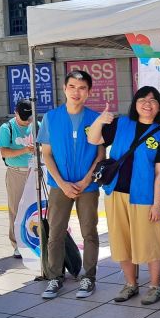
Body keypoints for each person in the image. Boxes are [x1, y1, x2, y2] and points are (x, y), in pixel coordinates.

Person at [88, 86, 160, 306]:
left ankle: (155, 286)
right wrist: (99, 121)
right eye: (142, 99)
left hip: (144, 196)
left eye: (153, 101)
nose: (147, 104)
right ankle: (130, 284)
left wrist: (156, 204)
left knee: (151, 241)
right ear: (135, 104)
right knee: (121, 240)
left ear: (159, 107)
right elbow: (94, 139)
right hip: (115, 193)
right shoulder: (121, 123)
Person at [37, 70, 104, 300]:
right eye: (72, 87)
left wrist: (86, 180)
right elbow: (47, 154)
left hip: (88, 186)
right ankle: (55, 276)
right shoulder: (51, 118)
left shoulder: (95, 118)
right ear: (64, 89)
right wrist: (62, 183)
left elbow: (100, 154)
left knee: (89, 232)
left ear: (89, 92)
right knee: (55, 232)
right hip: (60, 186)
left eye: (82, 88)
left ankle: (89, 276)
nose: (77, 92)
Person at [0, 99, 35, 259]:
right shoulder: (7, 128)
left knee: (36, 208)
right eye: (23, 118)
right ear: (15, 113)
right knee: (16, 209)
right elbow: (4, 152)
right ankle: (17, 244)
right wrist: (25, 150)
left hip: (35, 171)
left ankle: (35, 240)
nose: (27, 122)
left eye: (29, 118)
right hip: (16, 173)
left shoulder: (36, 125)